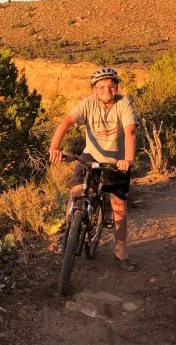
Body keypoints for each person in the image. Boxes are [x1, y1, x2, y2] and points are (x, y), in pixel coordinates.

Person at [48, 67, 139, 271]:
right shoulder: (88, 104)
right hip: (92, 155)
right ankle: (71, 227)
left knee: (118, 206)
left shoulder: (124, 103)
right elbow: (67, 122)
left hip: (117, 160)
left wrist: (128, 159)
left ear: (117, 87)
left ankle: (120, 250)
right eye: (101, 87)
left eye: (111, 86)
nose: (107, 90)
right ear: (94, 90)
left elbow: (131, 130)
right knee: (76, 191)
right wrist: (54, 147)